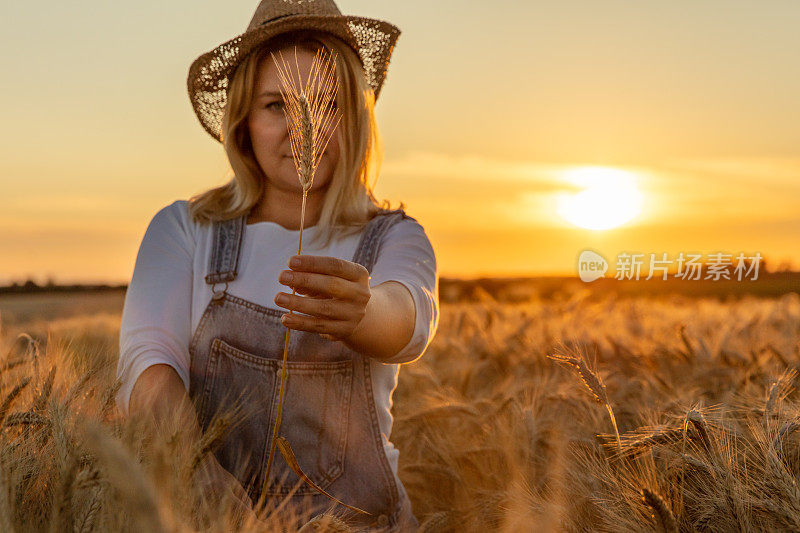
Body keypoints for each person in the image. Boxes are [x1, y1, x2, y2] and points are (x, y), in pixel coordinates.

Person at [115, 1, 438, 531]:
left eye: (326, 103)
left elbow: (409, 319)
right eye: (276, 105)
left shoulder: (396, 237)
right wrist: (198, 474)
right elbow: (146, 365)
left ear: (355, 118)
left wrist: (364, 311)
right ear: (243, 121)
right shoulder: (185, 230)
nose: (302, 126)